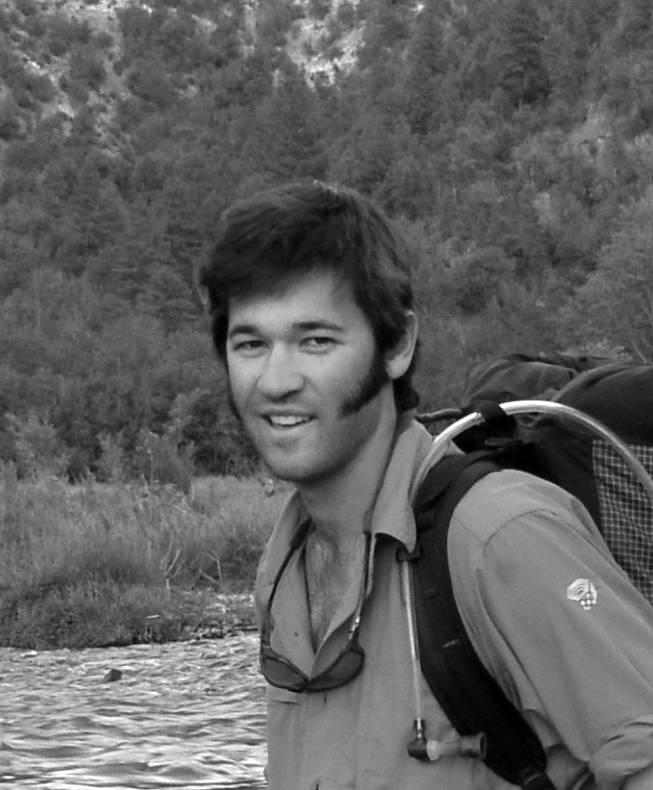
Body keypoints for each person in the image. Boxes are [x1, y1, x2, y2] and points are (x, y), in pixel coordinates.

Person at [198, 180, 653, 790]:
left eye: (316, 341)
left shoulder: (500, 539)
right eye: (251, 343)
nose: (276, 381)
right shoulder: (282, 574)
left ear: (397, 346)